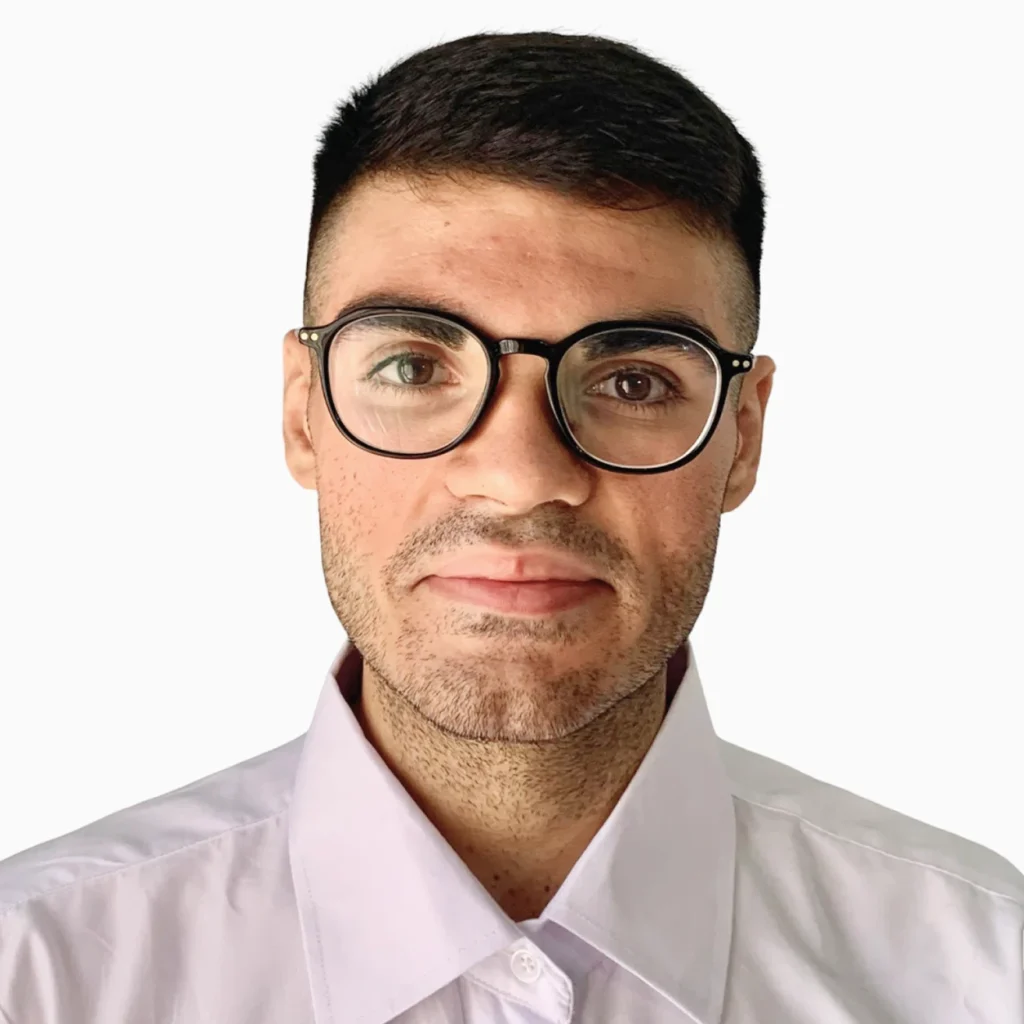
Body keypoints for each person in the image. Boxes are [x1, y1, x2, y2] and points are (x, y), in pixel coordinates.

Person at [1, 29, 1021, 1024]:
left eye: (632, 381)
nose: (520, 478)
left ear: (742, 437)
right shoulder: (33, 973)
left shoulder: (987, 969)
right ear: (302, 415)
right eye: (413, 367)